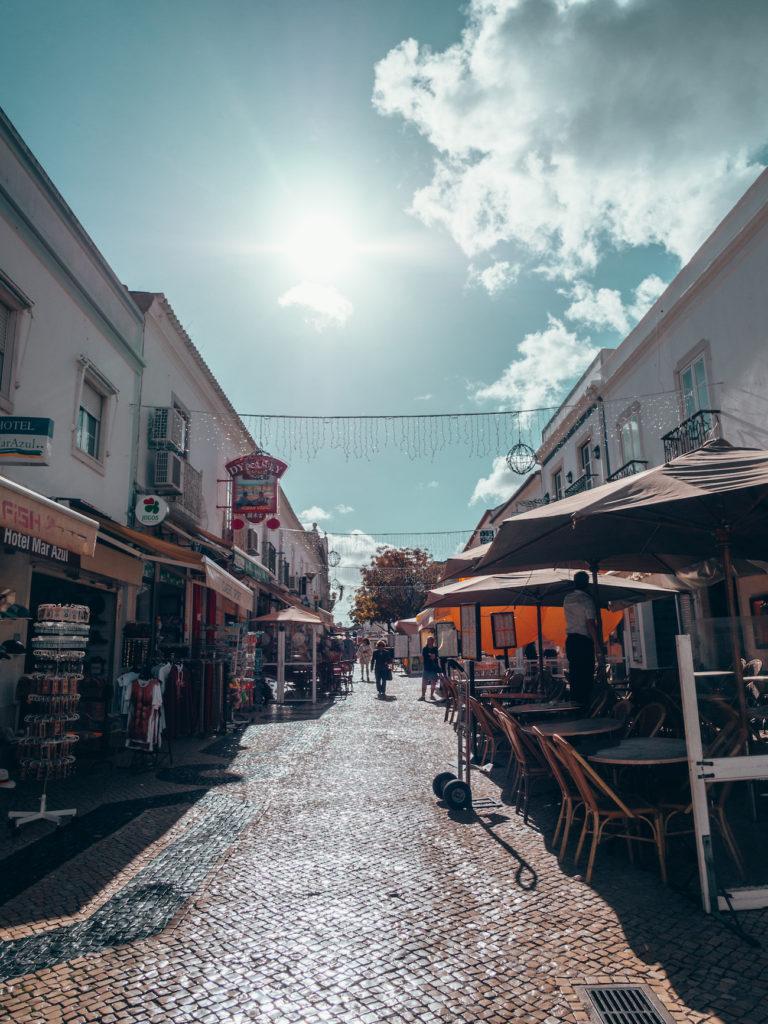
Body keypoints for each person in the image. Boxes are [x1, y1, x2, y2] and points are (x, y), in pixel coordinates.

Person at [562, 571, 602, 706]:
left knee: (575, 676)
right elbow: (590, 623)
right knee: (586, 676)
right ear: (587, 583)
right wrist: (597, 645)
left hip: (571, 641)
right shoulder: (587, 600)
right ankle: (585, 707)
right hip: (583, 642)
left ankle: (576, 706)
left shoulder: (567, 598)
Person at [420, 634, 441, 701]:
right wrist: (431, 656)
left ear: (433, 641)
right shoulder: (425, 649)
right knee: (424, 683)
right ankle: (423, 696)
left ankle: (431, 695)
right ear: (427, 641)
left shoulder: (435, 649)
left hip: (433, 668)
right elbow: (424, 656)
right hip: (426, 667)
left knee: (433, 683)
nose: (430, 641)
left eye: (432, 640)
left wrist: (433, 656)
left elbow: (436, 656)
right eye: (429, 640)